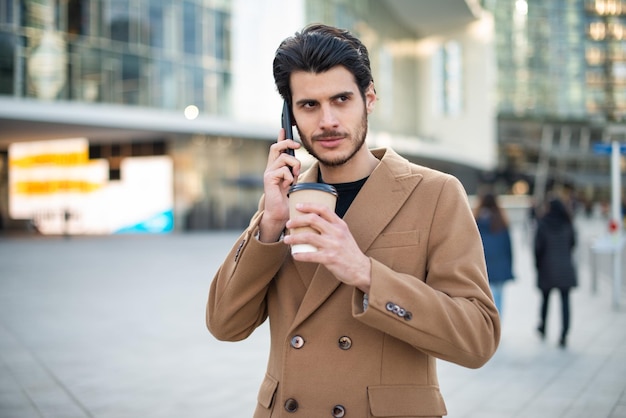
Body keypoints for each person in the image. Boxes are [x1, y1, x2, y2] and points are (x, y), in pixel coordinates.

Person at [206, 24, 500, 417]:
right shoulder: (282, 202)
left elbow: (477, 339)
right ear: (289, 116)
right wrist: (269, 224)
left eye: (341, 99)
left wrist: (365, 273)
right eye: (309, 105)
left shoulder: (435, 193)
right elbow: (225, 325)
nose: (327, 120)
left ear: (369, 98)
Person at [534, 197, 577, 348]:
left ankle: (543, 327)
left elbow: (537, 248)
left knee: (545, 299)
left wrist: (537, 265)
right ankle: (564, 333)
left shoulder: (543, 224)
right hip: (565, 267)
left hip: (547, 267)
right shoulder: (568, 223)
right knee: (565, 300)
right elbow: (573, 243)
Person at [474, 193, 514, 314]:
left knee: (484, 297)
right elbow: (508, 248)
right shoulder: (502, 222)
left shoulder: (475, 222)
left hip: (482, 266)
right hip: (500, 266)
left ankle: (487, 325)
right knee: (498, 297)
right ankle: (498, 325)